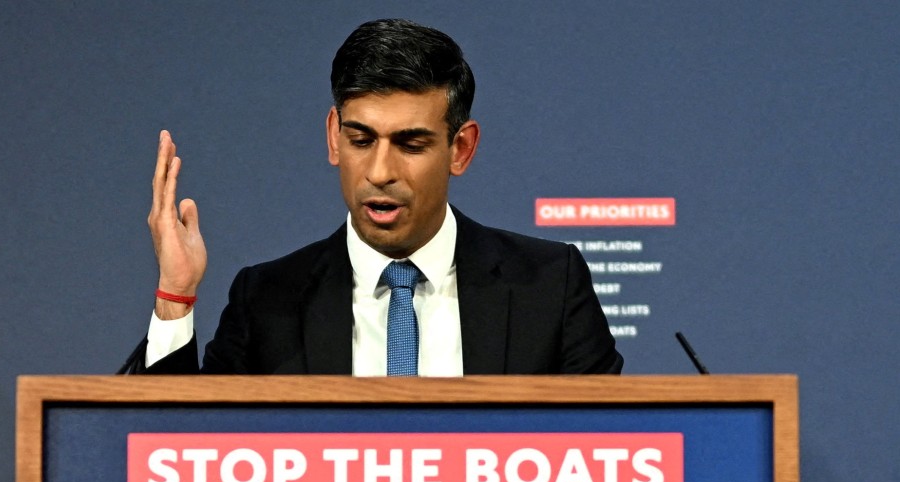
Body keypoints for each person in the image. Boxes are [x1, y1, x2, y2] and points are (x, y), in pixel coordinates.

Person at [121, 18, 621, 376]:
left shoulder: (549, 286)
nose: (380, 172)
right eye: (361, 140)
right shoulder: (267, 300)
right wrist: (175, 296)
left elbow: (607, 453)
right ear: (333, 136)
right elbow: (180, 452)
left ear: (461, 149)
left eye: (411, 144)